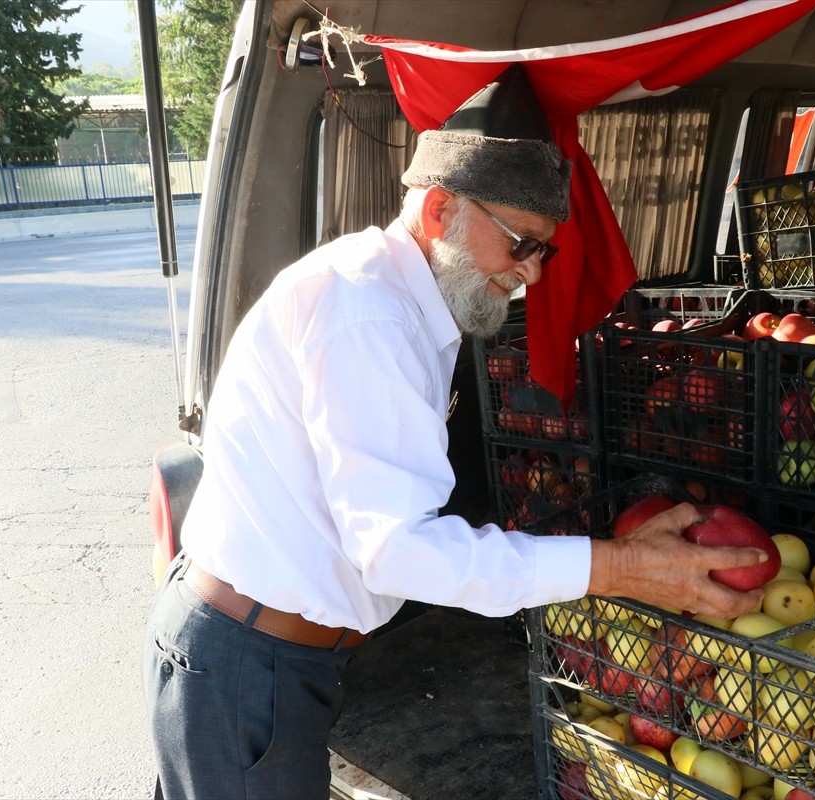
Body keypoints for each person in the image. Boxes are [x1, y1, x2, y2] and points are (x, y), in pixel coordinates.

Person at [142, 63, 768, 800]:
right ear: (439, 210)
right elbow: (396, 551)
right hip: (250, 665)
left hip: (276, 657)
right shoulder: (368, 314)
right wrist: (618, 566)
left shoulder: (404, 301)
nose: (532, 274)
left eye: (545, 250)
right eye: (520, 243)